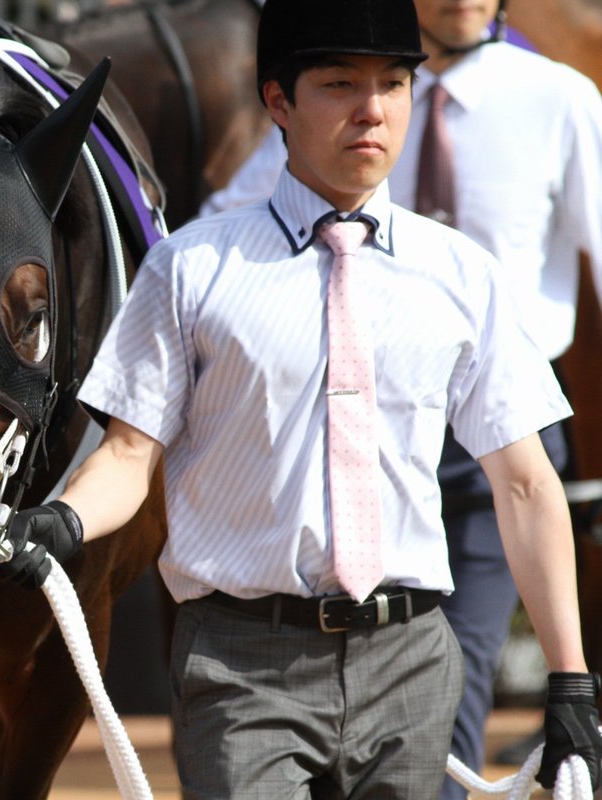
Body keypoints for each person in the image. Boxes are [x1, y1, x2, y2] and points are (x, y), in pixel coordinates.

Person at [0, 0, 602, 795]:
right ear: (277, 101)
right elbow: (128, 455)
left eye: (393, 83)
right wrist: (62, 520)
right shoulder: (189, 270)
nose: (373, 110)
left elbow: (524, 482)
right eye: (341, 83)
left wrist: (571, 680)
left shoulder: (464, 276)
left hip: (411, 663)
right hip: (242, 668)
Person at [195, 2, 602, 795]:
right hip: (345, 432)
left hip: (499, 442)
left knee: (456, 672)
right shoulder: (339, 108)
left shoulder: (560, 99)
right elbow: (234, 218)